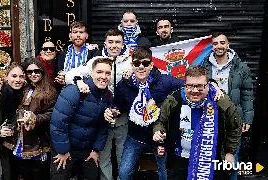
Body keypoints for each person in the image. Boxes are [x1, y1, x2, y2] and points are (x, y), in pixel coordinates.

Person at [106, 46, 184, 180]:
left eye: (145, 63)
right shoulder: (124, 85)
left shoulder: (164, 81)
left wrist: (212, 84)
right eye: (137, 63)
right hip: (135, 136)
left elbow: (189, 85)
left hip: (159, 136)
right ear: (132, 65)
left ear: (151, 65)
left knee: (165, 174)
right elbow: (118, 105)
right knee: (124, 174)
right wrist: (112, 111)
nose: (141, 67)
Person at [152, 65, 242, 180]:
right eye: (190, 86)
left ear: (208, 85)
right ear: (185, 85)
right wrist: (158, 131)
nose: (194, 91)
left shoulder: (221, 101)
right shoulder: (173, 100)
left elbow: (234, 127)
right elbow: (160, 121)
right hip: (181, 158)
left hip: (212, 158)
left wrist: (230, 151)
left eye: (200, 86)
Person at [64, 29, 132, 180]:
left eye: (118, 42)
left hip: (122, 119)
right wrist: (79, 81)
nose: (114, 46)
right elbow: (70, 74)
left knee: (124, 161)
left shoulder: (131, 61)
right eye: (111, 42)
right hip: (102, 120)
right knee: (103, 159)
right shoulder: (96, 61)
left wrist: (133, 74)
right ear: (105, 43)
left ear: (123, 44)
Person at [50, 58, 113, 180]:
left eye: (108, 73)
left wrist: (96, 149)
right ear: (91, 73)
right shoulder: (74, 92)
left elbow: (103, 126)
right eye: (99, 72)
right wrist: (63, 151)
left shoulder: (108, 96)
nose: (103, 76)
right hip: (65, 147)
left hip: (87, 150)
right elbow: (58, 123)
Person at [203, 32, 254, 180]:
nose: (219, 46)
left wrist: (247, 119)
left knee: (231, 160)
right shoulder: (205, 65)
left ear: (228, 44)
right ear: (212, 46)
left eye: (222, 43)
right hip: (210, 119)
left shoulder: (241, 67)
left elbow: (247, 93)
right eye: (215, 43)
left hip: (233, 120)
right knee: (209, 162)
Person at [2, 58, 58, 180]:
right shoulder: (23, 87)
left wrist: (35, 119)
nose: (33, 74)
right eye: (29, 72)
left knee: (37, 174)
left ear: (42, 72)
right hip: (18, 140)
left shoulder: (50, 91)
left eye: (36, 71)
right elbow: (8, 86)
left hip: (37, 142)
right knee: (21, 173)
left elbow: (52, 113)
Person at [55, 21, 100, 86]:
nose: (78, 35)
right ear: (70, 36)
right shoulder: (62, 54)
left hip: (87, 92)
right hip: (67, 92)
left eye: (81, 32)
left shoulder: (94, 53)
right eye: (75, 32)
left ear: (86, 36)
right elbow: (58, 73)